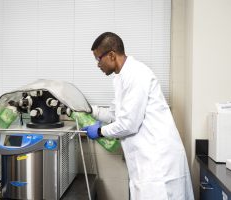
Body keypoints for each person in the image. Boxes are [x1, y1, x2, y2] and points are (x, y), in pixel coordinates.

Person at [82, 32, 194, 200]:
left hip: (158, 161)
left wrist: (99, 132)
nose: (97, 64)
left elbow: (128, 124)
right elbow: (114, 114)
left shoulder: (136, 74)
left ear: (111, 55)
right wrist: (89, 110)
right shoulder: (121, 78)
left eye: (98, 59)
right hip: (147, 161)